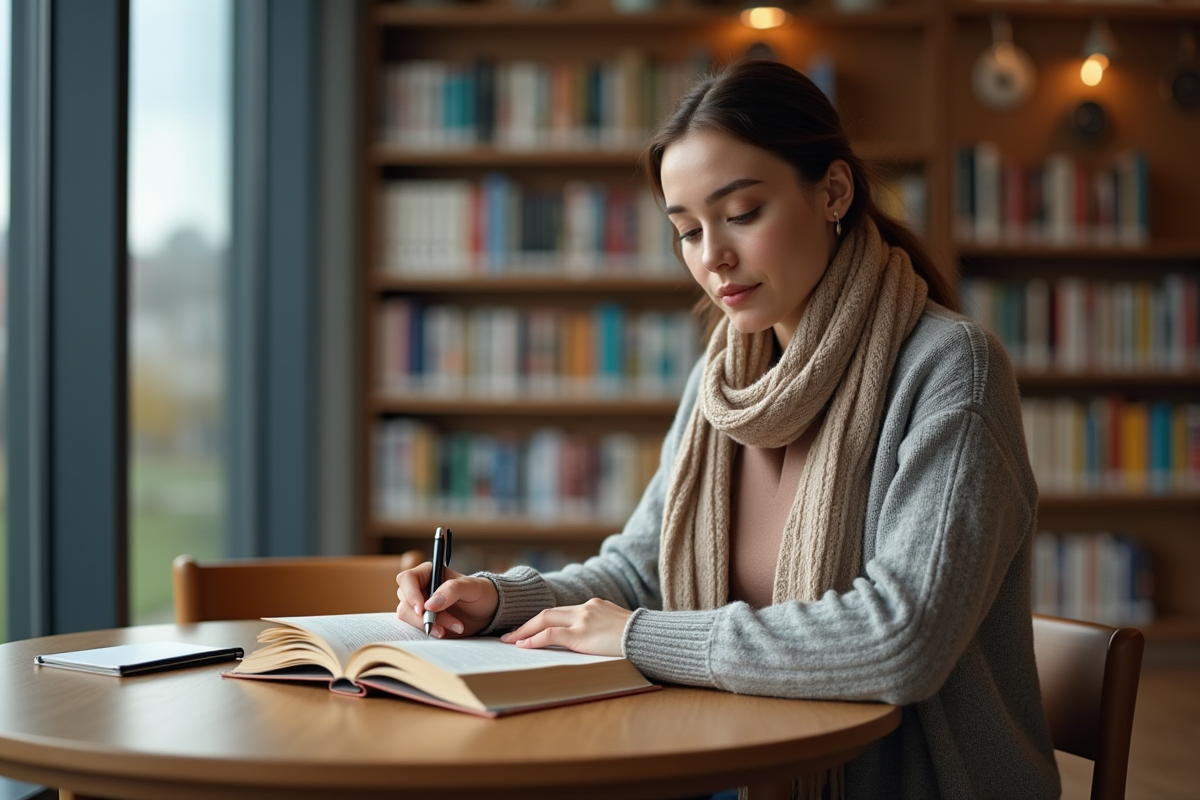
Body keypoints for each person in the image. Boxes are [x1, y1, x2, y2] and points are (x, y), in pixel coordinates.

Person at [396, 59, 1060, 799]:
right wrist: (497, 599)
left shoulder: (951, 369)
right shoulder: (723, 382)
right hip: (739, 756)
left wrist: (638, 637)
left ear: (833, 191)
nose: (712, 258)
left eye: (741, 213)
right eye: (686, 231)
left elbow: (901, 640)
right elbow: (640, 571)